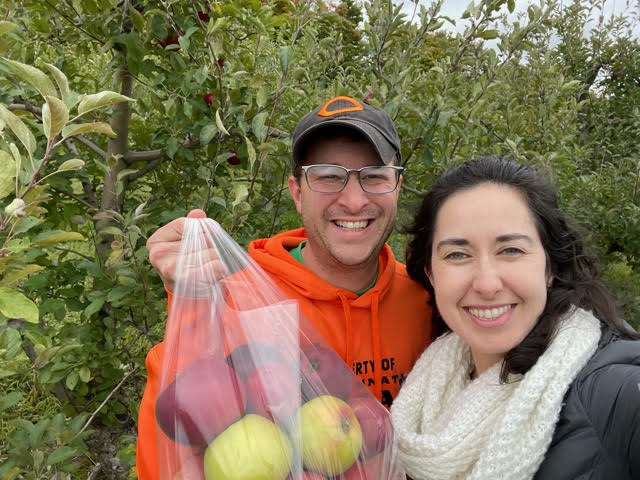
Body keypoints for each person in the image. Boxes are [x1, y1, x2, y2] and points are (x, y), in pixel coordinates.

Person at [136, 96, 433, 479]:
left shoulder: (433, 303)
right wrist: (191, 302)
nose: (355, 199)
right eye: (328, 175)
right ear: (296, 191)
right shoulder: (234, 306)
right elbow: (168, 459)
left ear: (397, 186)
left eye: (375, 175)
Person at [390, 156, 640, 480]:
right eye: (457, 255)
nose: (487, 284)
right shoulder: (426, 397)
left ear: (549, 266)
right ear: (431, 274)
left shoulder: (614, 394)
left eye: (511, 250)